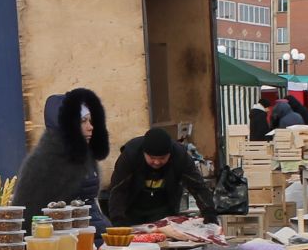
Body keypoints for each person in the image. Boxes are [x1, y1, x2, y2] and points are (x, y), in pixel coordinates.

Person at [12, 87, 110, 232]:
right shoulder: (44, 163)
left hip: (94, 234)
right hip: (71, 240)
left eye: (90, 121)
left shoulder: (85, 154)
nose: (91, 127)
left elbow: (91, 205)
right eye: (83, 121)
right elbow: (29, 214)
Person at [105, 127, 217, 226]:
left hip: (164, 207)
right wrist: (118, 220)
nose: (157, 162)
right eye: (152, 158)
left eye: (162, 158)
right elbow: (118, 190)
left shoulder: (180, 156)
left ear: (170, 154)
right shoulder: (130, 155)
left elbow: (197, 186)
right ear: (144, 153)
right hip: (132, 206)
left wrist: (209, 213)